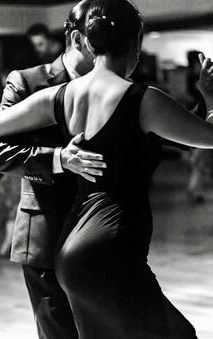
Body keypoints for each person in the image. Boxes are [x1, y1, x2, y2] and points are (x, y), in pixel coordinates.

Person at [1, 0, 213, 337]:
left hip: (72, 249)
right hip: (105, 246)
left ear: (88, 41)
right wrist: (212, 100)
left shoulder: (60, 95)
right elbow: (207, 138)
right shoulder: (143, 98)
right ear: (135, 44)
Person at [0, 1, 107, 338]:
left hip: (100, 234)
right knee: (57, 331)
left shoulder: (113, 85)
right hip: (44, 232)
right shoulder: (27, 82)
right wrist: (59, 158)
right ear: (77, 38)